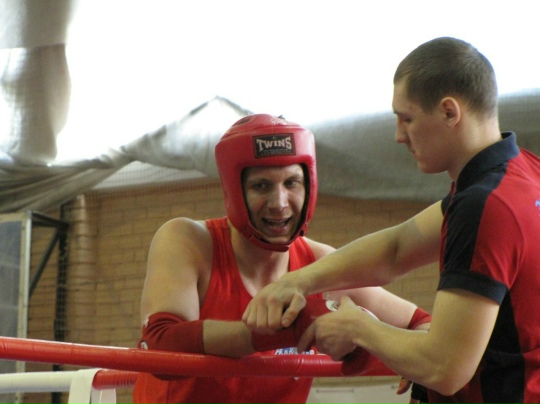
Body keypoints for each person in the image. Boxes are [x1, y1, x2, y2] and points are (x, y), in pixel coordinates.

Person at [243, 37, 540, 403]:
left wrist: (360, 327)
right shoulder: (524, 174)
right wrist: (297, 280)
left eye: (407, 119)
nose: (399, 136)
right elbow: (398, 247)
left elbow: (444, 367)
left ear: (450, 112)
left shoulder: (485, 206)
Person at [132, 113, 432, 404]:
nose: (279, 203)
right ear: (233, 191)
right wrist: (289, 330)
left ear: (309, 186)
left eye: (291, 183)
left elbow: (421, 323)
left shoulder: (320, 264)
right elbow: (160, 344)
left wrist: (416, 367)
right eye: (261, 186)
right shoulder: (189, 241)